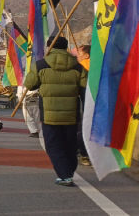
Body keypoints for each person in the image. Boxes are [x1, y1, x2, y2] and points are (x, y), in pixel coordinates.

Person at [25, 36, 87, 187]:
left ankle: (65, 175)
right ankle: (69, 171)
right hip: (71, 115)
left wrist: (35, 70)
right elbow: (85, 90)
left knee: (53, 145)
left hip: (49, 114)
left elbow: (30, 84)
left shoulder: (40, 65)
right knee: (70, 145)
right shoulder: (78, 67)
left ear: (49, 47)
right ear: (66, 47)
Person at [75, 44, 91, 166]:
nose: (78, 56)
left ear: (87, 55)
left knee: (81, 128)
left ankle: (84, 153)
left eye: (80, 54)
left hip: (84, 101)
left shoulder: (83, 67)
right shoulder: (95, 65)